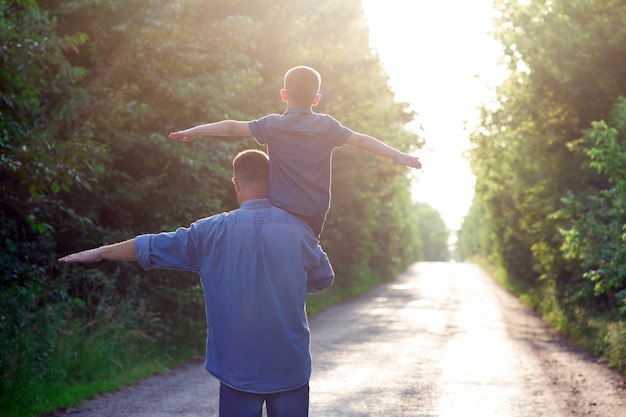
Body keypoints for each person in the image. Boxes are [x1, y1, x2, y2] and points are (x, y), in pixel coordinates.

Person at [58, 149, 334, 417]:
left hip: (236, 365)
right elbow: (323, 277)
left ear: (236, 183)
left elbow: (153, 246)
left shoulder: (209, 232)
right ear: (274, 182)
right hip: (289, 364)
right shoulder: (300, 230)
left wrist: (101, 252)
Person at [169, 65, 422, 237]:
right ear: (316, 99)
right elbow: (363, 141)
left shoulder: (273, 125)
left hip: (280, 209)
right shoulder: (326, 126)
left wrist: (198, 129)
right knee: (305, 253)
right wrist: (398, 155)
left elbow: (232, 127)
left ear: (283, 94)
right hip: (314, 210)